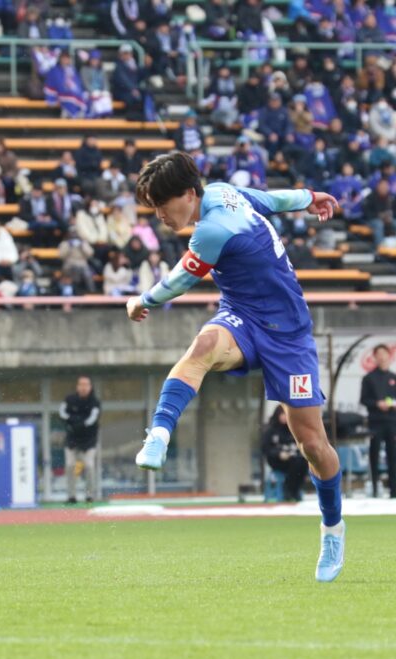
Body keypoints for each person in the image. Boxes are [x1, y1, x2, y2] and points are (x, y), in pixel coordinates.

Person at [126, 151, 345, 582]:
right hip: (242, 316)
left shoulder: (212, 230)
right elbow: (273, 199)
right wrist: (310, 197)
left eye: (162, 204)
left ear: (188, 194)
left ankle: (333, 529)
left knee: (312, 445)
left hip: (288, 334)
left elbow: (180, 281)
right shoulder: (225, 193)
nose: (160, 215)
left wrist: (142, 300)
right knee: (204, 346)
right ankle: (159, 434)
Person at [360, 344, 396, 498]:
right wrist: (377, 404)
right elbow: (364, 400)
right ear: (375, 357)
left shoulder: (395, 378)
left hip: (392, 421)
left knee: (394, 456)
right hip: (376, 421)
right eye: (378, 354)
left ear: (389, 356)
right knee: (374, 455)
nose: (382, 357)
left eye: (384, 354)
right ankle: (375, 489)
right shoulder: (368, 378)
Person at [59, 376, 100, 505]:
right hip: (71, 441)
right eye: (81, 384)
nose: (83, 387)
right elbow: (62, 413)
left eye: (86, 385)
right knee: (70, 465)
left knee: (89, 466)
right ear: (77, 386)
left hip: (88, 442)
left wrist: (79, 424)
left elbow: (92, 419)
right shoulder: (69, 399)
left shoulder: (95, 402)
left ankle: (89, 495)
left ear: (90, 387)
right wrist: (73, 423)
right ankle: (71, 496)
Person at [261, 405, 309, 502]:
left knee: (303, 462)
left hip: (293, 458)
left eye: (286, 414)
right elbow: (266, 448)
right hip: (277, 460)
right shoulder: (271, 430)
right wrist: (279, 454)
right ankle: (288, 490)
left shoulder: (293, 429)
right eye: (282, 414)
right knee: (295, 463)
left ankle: (294, 489)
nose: (285, 417)